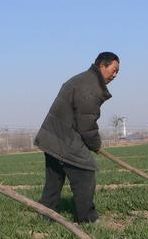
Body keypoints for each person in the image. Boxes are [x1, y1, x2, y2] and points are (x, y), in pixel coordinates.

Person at [34, 52, 120, 223]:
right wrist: (95, 144)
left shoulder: (85, 80)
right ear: (102, 66)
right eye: (114, 69)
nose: (116, 74)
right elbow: (86, 124)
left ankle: (46, 216)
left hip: (52, 136)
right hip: (64, 138)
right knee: (85, 173)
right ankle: (87, 218)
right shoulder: (91, 87)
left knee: (54, 179)